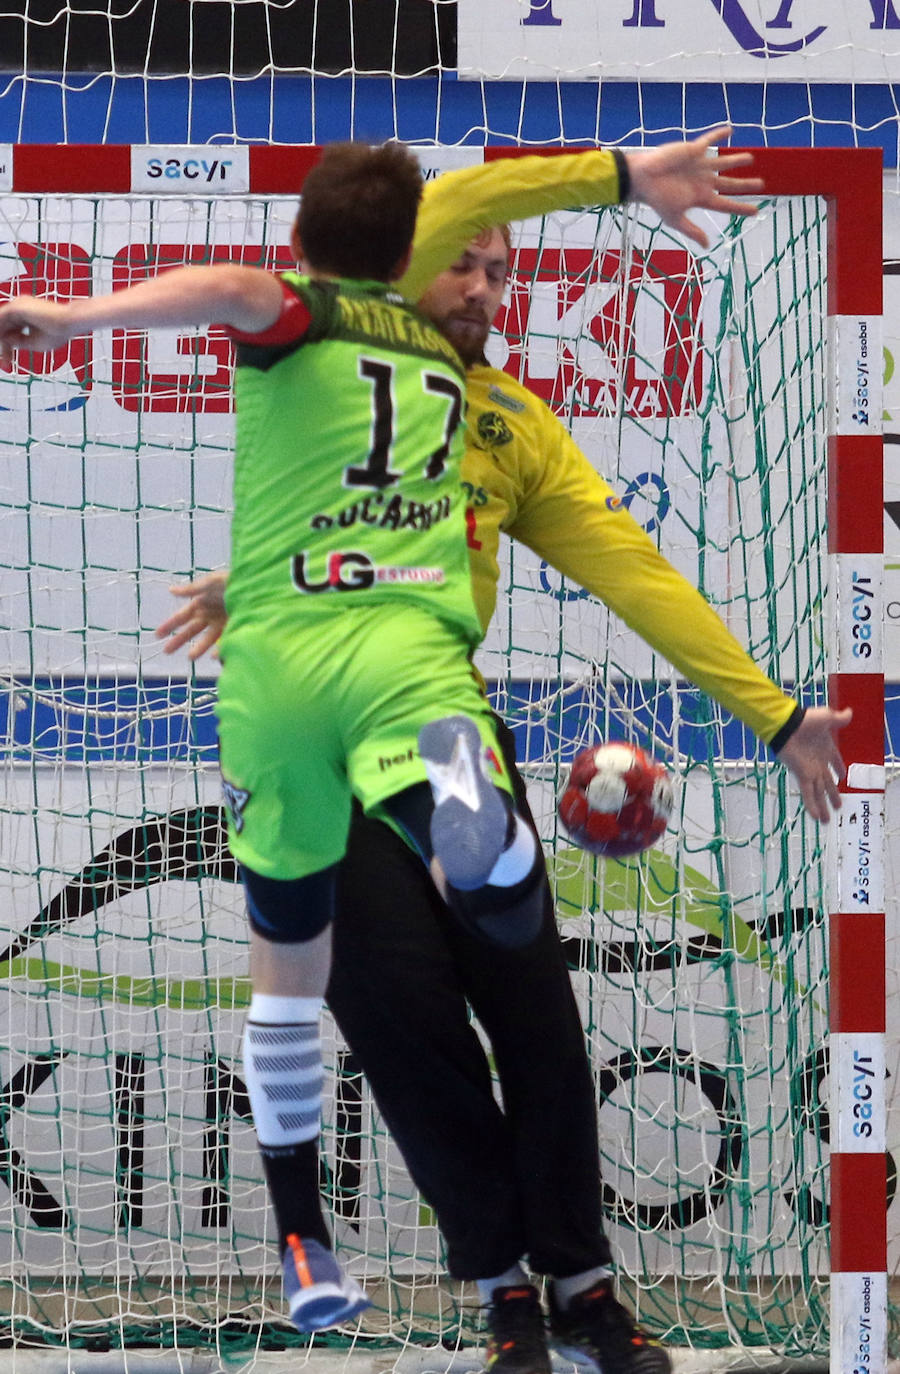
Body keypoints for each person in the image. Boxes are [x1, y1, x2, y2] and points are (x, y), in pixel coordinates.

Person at [156, 181, 850, 1374]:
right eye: (462, 263)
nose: (485, 287)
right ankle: (504, 1296)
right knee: (403, 1026)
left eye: (501, 270)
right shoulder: (325, 354)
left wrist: (774, 714)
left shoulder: (511, 429)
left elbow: (634, 570)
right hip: (325, 743)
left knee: (532, 1012)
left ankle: (583, 1289)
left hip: (440, 728)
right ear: (398, 265)